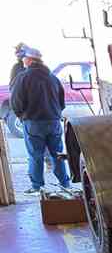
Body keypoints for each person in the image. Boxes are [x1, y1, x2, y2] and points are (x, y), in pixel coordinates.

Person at [10, 46, 70, 194]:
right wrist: (54, 113)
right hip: (53, 121)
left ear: (30, 60)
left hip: (33, 122)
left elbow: (16, 102)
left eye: (24, 58)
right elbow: (61, 102)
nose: (23, 60)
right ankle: (65, 183)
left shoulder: (23, 78)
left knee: (36, 155)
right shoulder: (53, 78)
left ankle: (37, 186)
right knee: (57, 153)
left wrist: (21, 116)